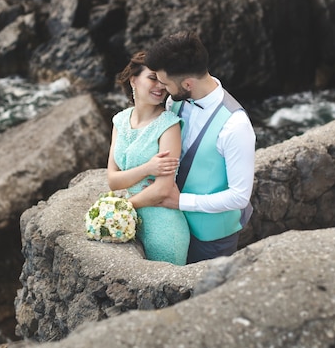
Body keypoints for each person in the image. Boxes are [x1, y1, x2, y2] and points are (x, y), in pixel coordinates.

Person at [144, 31, 256, 264]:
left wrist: (181, 201)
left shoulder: (236, 126)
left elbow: (239, 197)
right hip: (171, 224)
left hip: (211, 238)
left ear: (187, 83)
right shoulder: (174, 100)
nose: (162, 88)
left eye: (165, 83)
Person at [107, 51, 190, 265]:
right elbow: (113, 180)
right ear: (133, 79)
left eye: (163, 80)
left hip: (164, 229)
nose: (160, 86)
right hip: (132, 223)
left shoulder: (169, 126)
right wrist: (147, 168)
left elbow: (162, 189)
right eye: (153, 78)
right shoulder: (120, 120)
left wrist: (121, 209)